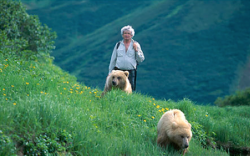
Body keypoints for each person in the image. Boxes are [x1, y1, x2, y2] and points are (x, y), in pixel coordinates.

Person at [108, 25, 145, 91]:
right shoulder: (118, 45)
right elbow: (113, 59)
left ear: (132, 35)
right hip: (118, 71)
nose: (126, 35)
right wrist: (110, 73)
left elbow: (141, 59)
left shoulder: (136, 44)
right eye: (125, 33)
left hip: (130, 72)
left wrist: (136, 50)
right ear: (122, 35)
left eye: (128, 33)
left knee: (130, 89)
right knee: (115, 89)